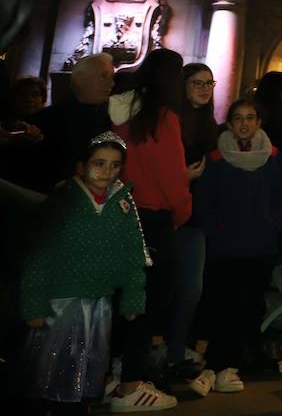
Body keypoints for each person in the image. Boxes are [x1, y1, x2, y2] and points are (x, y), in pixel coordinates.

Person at [18, 131, 177, 412]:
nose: (107, 171)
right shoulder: (63, 202)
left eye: (115, 165)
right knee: (54, 373)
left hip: (100, 306)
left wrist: (132, 297)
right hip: (61, 305)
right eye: (99, 163)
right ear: (81, 166)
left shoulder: (123, 203)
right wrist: (33, 304)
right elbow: (39, 256)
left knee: (85, 372)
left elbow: (132, 255)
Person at [192, 98, 282, 395]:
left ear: (259, 122)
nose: (244, 123)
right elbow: (204, 201)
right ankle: (219, 365)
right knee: (224, 305)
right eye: (238, 118)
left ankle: (230, 365)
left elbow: (281, 196)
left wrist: (271, 224)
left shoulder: (272, 156)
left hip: (260, 245)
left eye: (250, 117)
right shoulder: (217, 158)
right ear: (230, 123)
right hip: (225, 246)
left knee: (249, 305)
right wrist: (216, 230)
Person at [111, 48, 192, 398]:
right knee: (152, 300)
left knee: (123, 300)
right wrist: (182, 210)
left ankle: (112, 374)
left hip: (122, 214)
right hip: (155, 219)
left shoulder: (119, 114)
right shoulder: (163, 118)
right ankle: (131, 385)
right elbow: (172, 175)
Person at [158, 64, 220, 385]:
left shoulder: (209, 124)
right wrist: (185, 175)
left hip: (195, 215)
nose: (204, 88)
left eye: (209, 83)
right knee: (161, 287)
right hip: (163, 212)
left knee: (191, 289)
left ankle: (175, 351)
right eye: (197, 82)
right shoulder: (169, 119)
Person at [33, 53, 115, 189]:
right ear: (81, 79)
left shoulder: (114, 120)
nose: (112, 83)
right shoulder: (46, 119)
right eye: (104, 76)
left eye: (112, 77)